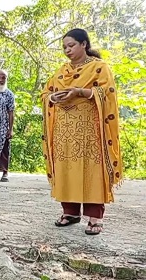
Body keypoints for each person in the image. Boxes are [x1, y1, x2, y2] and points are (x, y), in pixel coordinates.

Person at [41, 28, 123, 235]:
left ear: (84, 44)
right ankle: (70, 212)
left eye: (71, 45)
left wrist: (80, 92)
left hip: (90, 132)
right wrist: (53, 98)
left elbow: (108, 93)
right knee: (66, 167)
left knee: (91, 170)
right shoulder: (61, 71)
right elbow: (46, 93)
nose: (67, 50)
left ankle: (95, 217)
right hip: (64, 132)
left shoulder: (99, 67)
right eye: (64, 47)